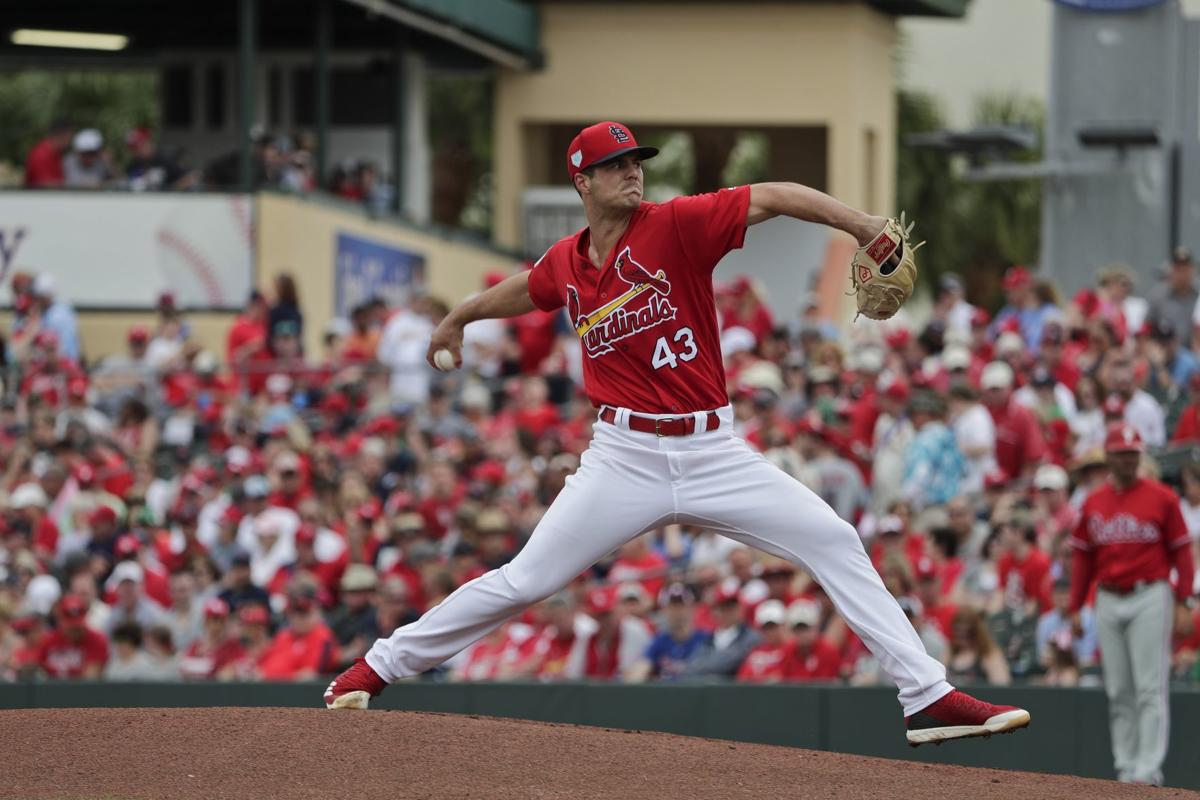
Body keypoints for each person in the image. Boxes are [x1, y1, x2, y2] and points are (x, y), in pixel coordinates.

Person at [324, 120, 1030, 745]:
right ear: (583, 180)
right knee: (525, 579)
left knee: (834, 539)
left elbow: (775, 193)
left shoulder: (678, 224)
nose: (634, 172)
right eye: (616, 165)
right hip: (622, 457)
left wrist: (861, 221)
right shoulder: (569, 262)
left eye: (637, 162)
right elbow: (532, 287)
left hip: (712, 450)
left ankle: (926, 695)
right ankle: (375, 667)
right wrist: (461, 317)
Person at [1068, 423, 1196, 786]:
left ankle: (1147, 771)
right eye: (1121, 454)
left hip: (1150, 595)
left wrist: (1185, 599)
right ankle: (1125, 769)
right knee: (1119, 690)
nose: (1127, 460)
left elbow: (1181, 553)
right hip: (1107, 597)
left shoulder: (1162, 497)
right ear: (1109, 457)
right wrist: (1076, 606)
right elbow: (1083, 561)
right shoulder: (1094, 502)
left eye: (1132, 454)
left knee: (1149, 688)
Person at [24, 120, 73, 188]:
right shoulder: (41, 155)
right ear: (64, 135)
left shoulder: (56, 153)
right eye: (70, 136)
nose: (70, 140)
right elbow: (45, 185)